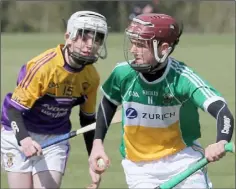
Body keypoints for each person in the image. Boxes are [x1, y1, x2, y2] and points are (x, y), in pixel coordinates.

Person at [88, 13, 234, 188]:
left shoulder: (182, 78)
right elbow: (109, 103)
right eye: (133, 42)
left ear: (163, 49)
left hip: (183, 161)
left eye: (141, 44)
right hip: (139, 168)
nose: (133, 50)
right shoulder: (122, 73)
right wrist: (97, 144)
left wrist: (221, 141)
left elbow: (222, 111)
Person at [1, 10, 108, 189]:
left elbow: (88, 119)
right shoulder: (43, 67)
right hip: (18, 133)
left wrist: (93, 156)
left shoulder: (91, 77)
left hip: (55, 137)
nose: (90, 45)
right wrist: (24, 140)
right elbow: (14, 109)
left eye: (96, 39)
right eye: (83, 38)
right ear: (69, 37)